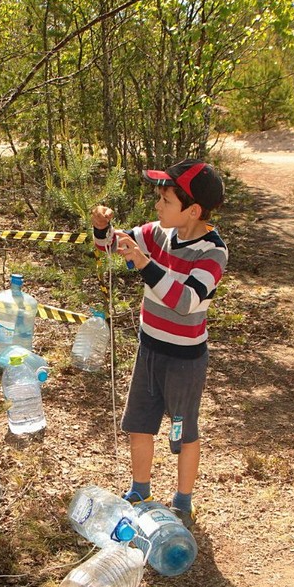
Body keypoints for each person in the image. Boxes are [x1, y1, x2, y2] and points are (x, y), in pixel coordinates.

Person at [91, 159, 228, 529]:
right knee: (140, 423)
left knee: (183, 431)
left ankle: (183, 501)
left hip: (185, 360)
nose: (157, 206)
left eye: (165, 200)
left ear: (193, 210)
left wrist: (145, 263)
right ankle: (140, 490)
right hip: (149, 348)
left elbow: (185, 302)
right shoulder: (158, 232)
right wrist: (102, 228)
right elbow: (113, 245)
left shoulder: (212, 253)